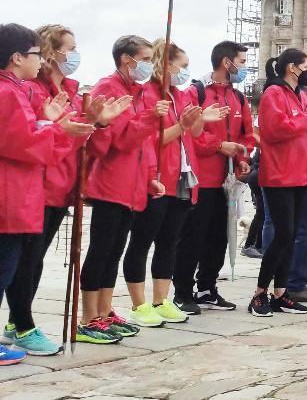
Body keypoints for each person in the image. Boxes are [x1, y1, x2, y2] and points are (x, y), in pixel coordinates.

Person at [5, 25, 120, 356]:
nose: (75, 54)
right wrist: (58, 127)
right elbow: (30, 139)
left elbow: (83, 144)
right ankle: (21, 323)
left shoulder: (69, 91)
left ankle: (19, 321)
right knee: (26, 260)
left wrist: (96, 123)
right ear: (50, 52)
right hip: (37, 184)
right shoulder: (29, 89)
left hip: (62, 184)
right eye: (70, 48)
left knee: (34, 258)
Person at [124, 41, 228, 327]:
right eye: (181, 66)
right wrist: (182, 125)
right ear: (166, 64)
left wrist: (198, 119)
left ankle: (161, 299)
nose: (185, 72)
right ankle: (138, 303)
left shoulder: (181, 95)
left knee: (169, 243)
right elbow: (152, 138)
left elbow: (191, 133)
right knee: (142, 241)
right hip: (158, 176)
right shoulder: (148, 94)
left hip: (183, 177)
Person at [79, 35, 170, 343]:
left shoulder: (139, 91)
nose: (148, 65)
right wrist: (148, 117)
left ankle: (104, 311)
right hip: (110, 183)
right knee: (101, 250)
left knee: (115, 250)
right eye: (144, 59)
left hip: (132, 184)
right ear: (126, 60)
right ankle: (88, 316)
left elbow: (143, 145)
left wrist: (148, 177)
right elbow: (115, 141)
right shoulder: (109, 88)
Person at [249, 49, 307, 317]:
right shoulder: (273, 94)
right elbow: (276, 130)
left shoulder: (301, 96)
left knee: (291, 236)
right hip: (280, 174)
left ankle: (282, 291)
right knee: (282, 234)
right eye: (305, 65)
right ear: (292, 68)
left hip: (303, 174)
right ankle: (260, 292)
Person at [174, 40, 254, 313]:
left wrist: (243, 158)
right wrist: (219, 146)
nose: (244, 67)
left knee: (220, 236)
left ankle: (207, 286)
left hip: (227, 180)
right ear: (226, 62)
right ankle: (182, 291)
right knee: (193, 235)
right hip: (201, 178)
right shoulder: (196, 92)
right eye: (241, 62)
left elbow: (247, 133)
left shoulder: (238, 97)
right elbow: (189, 132)